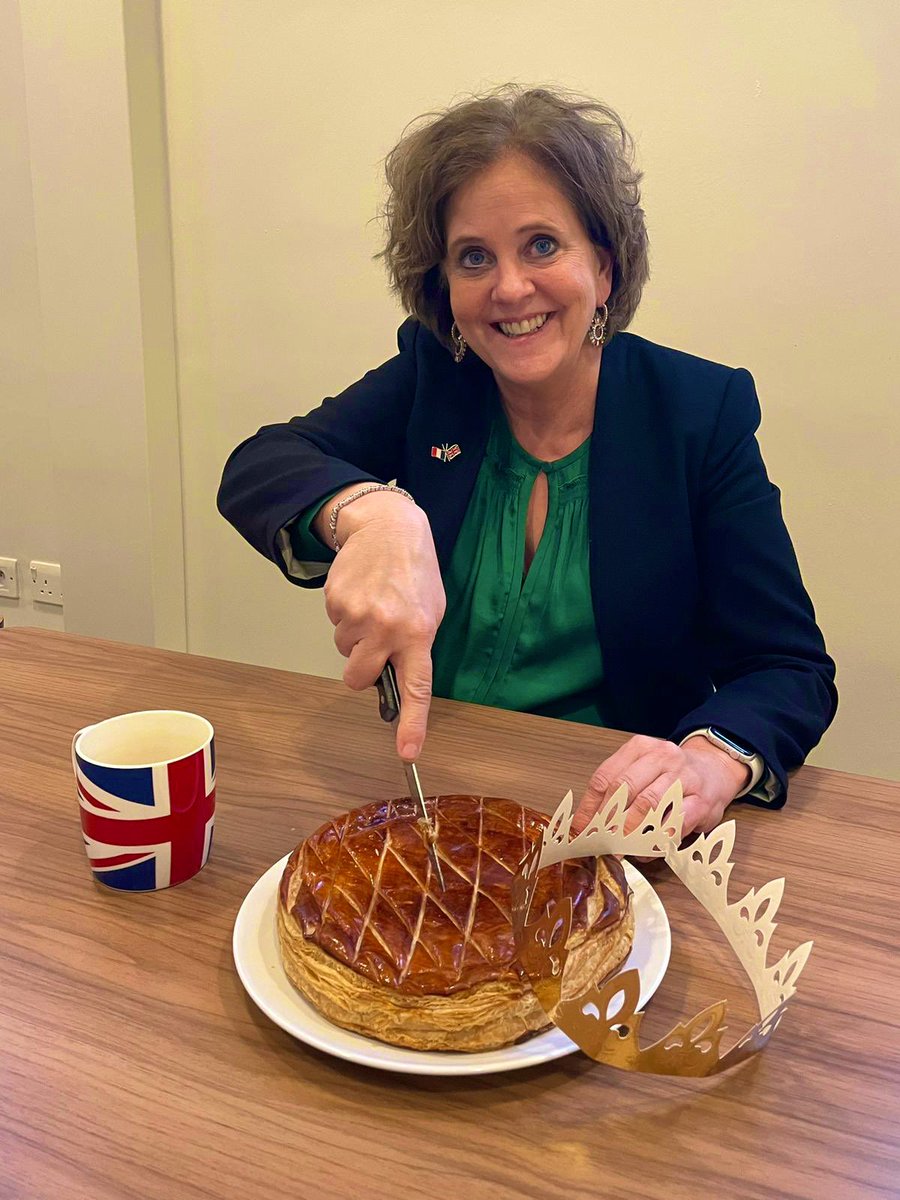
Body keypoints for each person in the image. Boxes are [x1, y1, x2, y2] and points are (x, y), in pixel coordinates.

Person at [218, 85, 836, 841]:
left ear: (603, 269)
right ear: (444, 289)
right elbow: (261, 464)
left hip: (609, 819)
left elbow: (788, 668)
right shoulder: (432, 375)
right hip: (426, 798)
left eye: (542, 244)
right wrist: (372, 510)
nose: (510, 288)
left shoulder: (698, 413)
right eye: (474, 257)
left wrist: (708, 760)